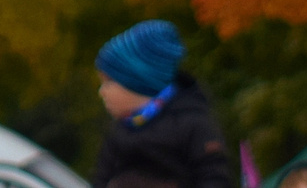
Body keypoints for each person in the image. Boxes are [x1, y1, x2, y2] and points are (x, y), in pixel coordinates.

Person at [91, 21, 232, 188]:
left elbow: (214, 176)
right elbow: (100, 179)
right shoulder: (120, 131)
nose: (102, 92)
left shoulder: (193, 125)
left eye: (109, 82)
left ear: (138, 83)